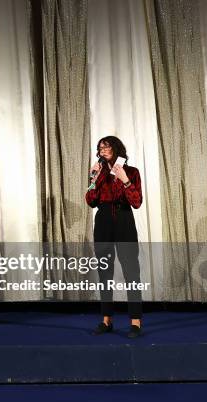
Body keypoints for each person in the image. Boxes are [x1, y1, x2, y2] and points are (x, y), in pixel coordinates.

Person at [85, 136, 143, 338]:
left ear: (116, 148)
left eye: (106, 146)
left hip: (124, 220)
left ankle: (135, 321)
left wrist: (125, 180)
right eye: (100, 147)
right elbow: (90, 200)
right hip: (103, 222)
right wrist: (93, 179)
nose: (102, 149)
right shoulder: (97, 172)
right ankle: (106, 320)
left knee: (131, 272)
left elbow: (136, 202)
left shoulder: (132, 172)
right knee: (104, 274)